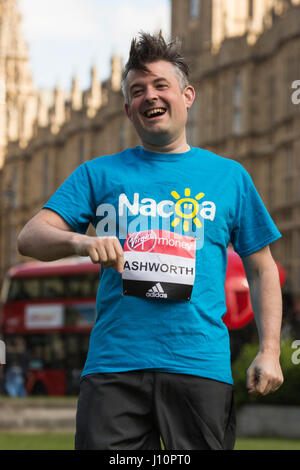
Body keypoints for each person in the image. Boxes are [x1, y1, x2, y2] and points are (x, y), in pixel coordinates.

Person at [17, 32, 284, 450]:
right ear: (128, 109)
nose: (149, 96)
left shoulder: (229, 177)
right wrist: (82, 243)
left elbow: (262, 267)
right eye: (137, 91)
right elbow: (30, 237)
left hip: (199, 367)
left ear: (187, 95)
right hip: (114, 368)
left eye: (161, 85)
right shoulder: (97, 173)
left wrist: (269, 350)